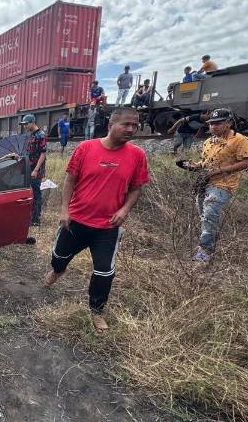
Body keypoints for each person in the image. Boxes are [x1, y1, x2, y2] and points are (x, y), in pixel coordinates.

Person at [43, 107, 150, 333]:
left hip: (107, 227)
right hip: (76, 222)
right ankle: (57, 271)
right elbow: (70, 181)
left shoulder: (137, 155)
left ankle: (97, 311)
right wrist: (64, 210)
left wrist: (125, 210)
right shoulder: (85, 148)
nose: (131, 129)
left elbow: (136, 188)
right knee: (59, 257)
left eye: (135, 125)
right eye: (126, 124)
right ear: (110, 126)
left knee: (104, 272)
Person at [179, 108, 248, 261]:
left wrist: (219, 170)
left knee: (210, 212)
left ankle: (205, 251)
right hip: (205, 182)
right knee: (204, 215)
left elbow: (246, 162)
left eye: (217, 123)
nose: (213, 127)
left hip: (224, 184)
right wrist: (193, 165)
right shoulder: (208, 142)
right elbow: (205, 163)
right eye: (211, 124)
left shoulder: (239, 140)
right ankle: (210, 240)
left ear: (229, 123)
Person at [22, 114, 48, 226]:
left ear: (32, 122)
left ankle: (36, 219)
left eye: (26, 124)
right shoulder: (31, 135)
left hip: (36, 170)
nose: (25, 126)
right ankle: (31, 216)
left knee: (36, 193)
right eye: (23, 125)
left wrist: (36, 170)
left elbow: (43, 154)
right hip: (29, 168)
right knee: (30, 193)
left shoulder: (40, 135)